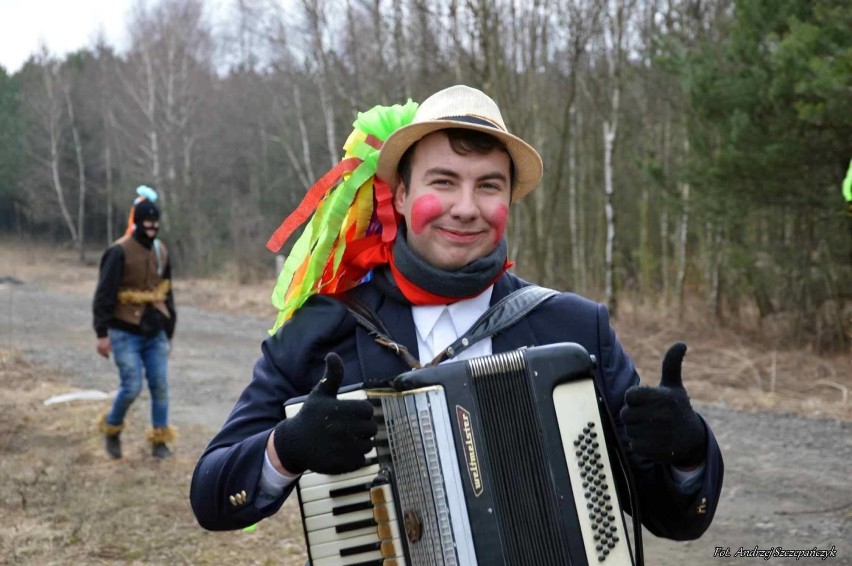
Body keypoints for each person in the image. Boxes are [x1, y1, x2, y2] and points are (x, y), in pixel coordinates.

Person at [190, 86, 723, 547]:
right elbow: (212, 496)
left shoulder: (576, 329)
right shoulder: (322, 328)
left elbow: (674, 519)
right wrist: (284, 450)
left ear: (509, 200)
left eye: (488, 185)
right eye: (443, 181)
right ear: (400, 195)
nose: (465, 207)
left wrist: (687, 449)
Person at [93, 186, 177, 459]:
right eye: (147, 223)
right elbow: (104, 294)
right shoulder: (118, 251)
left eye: (156, 224)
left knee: (160, 385)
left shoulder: (161, 251)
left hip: (155, 333)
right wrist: (101, 333)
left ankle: (159, 442)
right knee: (131, 387)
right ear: (137, 222)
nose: (152, 228)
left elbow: (167, 290)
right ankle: (112, 429)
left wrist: (170, 326)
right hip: (123, 332)